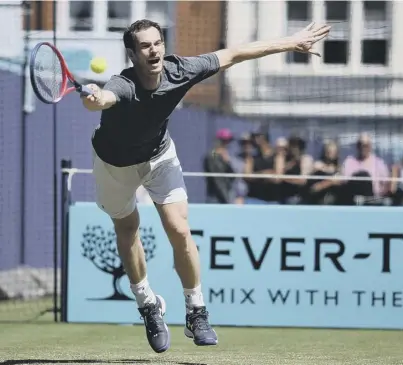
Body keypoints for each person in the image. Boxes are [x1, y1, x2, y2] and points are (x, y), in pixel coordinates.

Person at [80, 19, 330, 353]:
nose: (153, 50)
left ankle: (196, 311)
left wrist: (292, 42)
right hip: (115, 165)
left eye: (157, 43)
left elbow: (236, 53)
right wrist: (95, 98)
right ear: (133, 54)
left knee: (179, 229)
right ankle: (147, 304)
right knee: (127, 230)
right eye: (144, 46)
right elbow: (103, 99)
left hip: (158, 156)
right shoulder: (122, 84)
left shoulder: (181, 70)